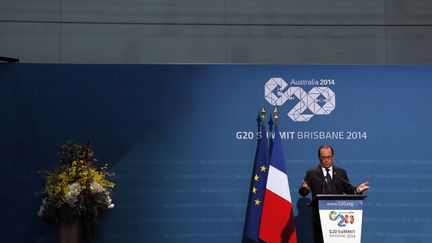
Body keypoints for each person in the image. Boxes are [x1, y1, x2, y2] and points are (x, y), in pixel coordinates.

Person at [298, 145, 369, 243]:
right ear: (319, 158)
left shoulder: (340, 172)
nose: (326, 160)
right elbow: (303, 192)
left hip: (338, 216)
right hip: (320, 218)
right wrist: (304, 189)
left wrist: (358, 190)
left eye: (329, 157)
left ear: (333, 157)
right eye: (324, 157)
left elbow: (348, 189)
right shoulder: (312, 173)